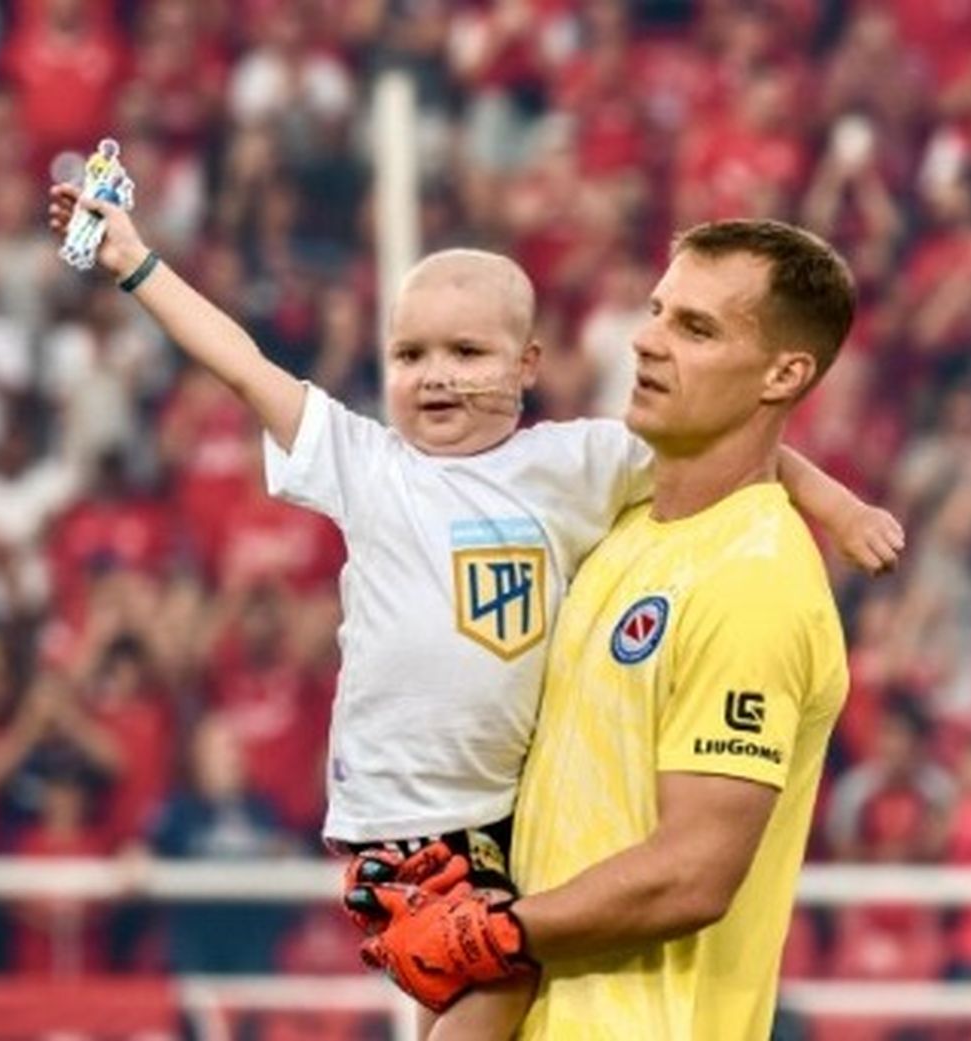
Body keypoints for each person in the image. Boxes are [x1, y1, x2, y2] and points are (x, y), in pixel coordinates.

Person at [47, 187, 902, 1038]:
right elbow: (242, 363)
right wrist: (137, 264)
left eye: (465, 351)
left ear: (529, 364)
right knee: (491, 985)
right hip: (405, 815)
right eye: (409, 355)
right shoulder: (372, 465)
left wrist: (843, 510)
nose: (436, 375)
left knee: (482, 986)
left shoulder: (587, 470)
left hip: (501, 824)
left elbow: (760, 453)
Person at [353, 220, 857, 1039]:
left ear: (785, 373)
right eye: (658, 311)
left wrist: (491, 935)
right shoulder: (616, 528)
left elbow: (693, 874)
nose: (648, 341)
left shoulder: (754, 576)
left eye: (695, 329)